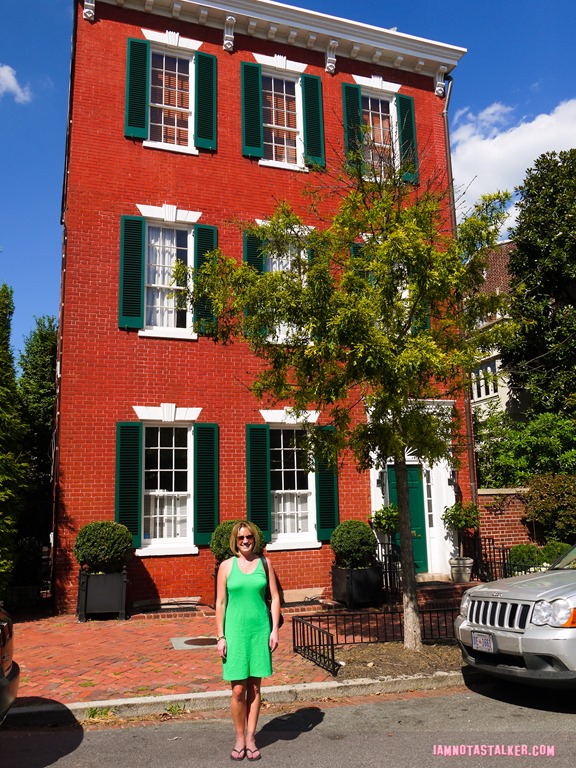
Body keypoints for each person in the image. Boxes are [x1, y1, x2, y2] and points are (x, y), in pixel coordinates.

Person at [216, 520, 281, 761]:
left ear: (255, 539)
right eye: (241, 537)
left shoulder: (265, 563)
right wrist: (220, 636)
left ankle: (252, 738)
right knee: (238, 690)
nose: (245, 541)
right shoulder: (225, 567)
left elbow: (274, 598)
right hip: (234, 633)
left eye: (249, 537)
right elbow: (220, 603)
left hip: (259, 631)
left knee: (255, 687)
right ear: (235, 541)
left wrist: (274, 630)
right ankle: (239, 738)